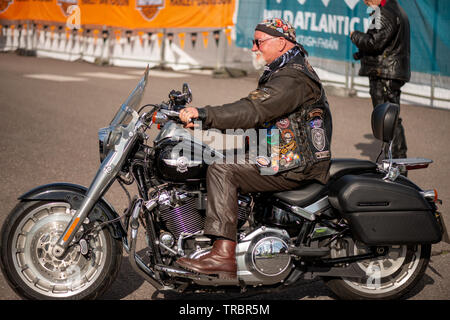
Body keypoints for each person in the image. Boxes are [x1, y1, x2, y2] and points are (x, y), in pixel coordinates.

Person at [176, 18, 332, 279]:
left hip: (293, 162)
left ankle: (223, 254)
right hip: (277, 153)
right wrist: (202, 121)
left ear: (281, 42)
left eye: (258, 42)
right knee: (212, 156)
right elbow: (256, 115)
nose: (253, 48)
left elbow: (253, 110)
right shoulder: (283, 70)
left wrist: (204, 115)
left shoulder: (292, 78)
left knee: (222, 169)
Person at [351, 0, 410, 162]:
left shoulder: (385, 12)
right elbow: (386, 44)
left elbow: (374, 42)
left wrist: (354, 36)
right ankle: (394, 160)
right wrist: (362, 54)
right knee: (388, 118)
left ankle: (397, 163)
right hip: (386, 72)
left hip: (384, 74)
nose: (366, 2)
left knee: (388, 119)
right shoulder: (392, 10)